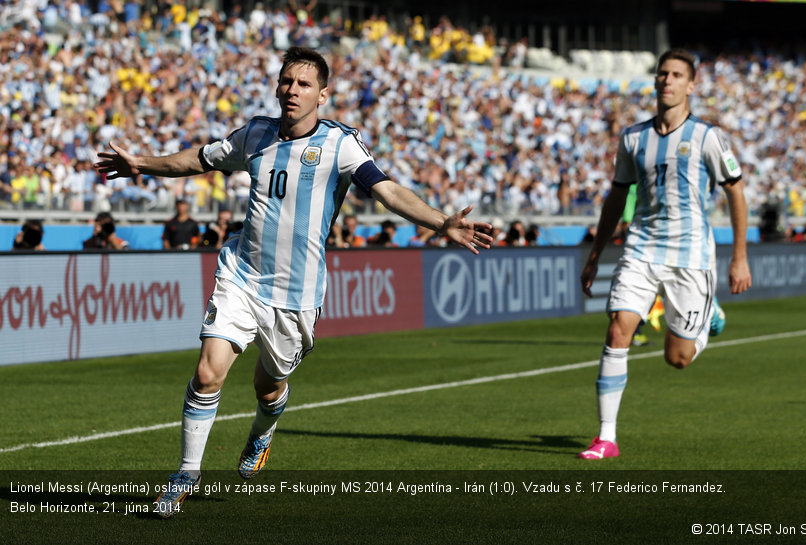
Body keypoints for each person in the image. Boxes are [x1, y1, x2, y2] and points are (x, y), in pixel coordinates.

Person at [95, 46, 492, 517]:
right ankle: (185, 473)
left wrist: (440, 220)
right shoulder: (255, 134)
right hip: (241, 276)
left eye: (303, 84)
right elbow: (198, 160)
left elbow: (386, 191)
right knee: (207, 372)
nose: (292, 90)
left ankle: (262, 430)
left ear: (323, 95)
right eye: (286, 81)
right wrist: (141, 162)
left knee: (269, 387)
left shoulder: (341, 145)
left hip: (295, 296)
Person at [578, 49, 752, 460]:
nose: (667, 81)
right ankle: (606, 436)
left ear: (691, 85)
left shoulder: (708, 137)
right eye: (662, 74)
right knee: (618, 329)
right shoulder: (633, 138)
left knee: (678, 359)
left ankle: (709, 314)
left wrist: (739, 256)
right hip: (641, 247)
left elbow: (736, 192)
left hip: (691, 256)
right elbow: (616, 197)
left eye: (676, 75)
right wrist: (595, 253)